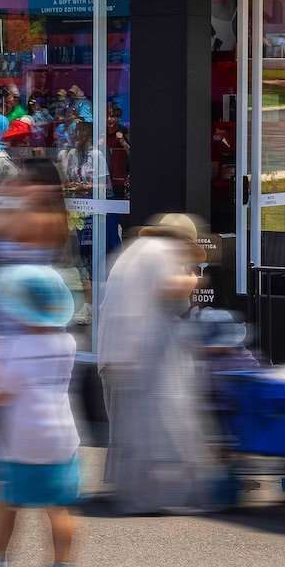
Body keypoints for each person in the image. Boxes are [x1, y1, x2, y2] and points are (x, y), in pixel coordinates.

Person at [94, 213, 215, 515]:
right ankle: (157, 495)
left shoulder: (133, 251)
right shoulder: (162, 252)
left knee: (126, 430)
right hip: (138, 354)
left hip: (112, 352)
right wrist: (195, 278)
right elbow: (173, 289)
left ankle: (128, 491)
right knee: (161, 427)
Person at [0, 265, 84, 567]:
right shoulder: (67, 342)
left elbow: (1, 390)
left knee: (7, 503)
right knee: (59, 506)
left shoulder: (12, 347)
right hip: (61, 438)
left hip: (19, 437)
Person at [0, 119, 34, 193]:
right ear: (14, 142)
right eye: (24, 143)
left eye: (28, 143)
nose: (28, 146)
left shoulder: (24, 161)